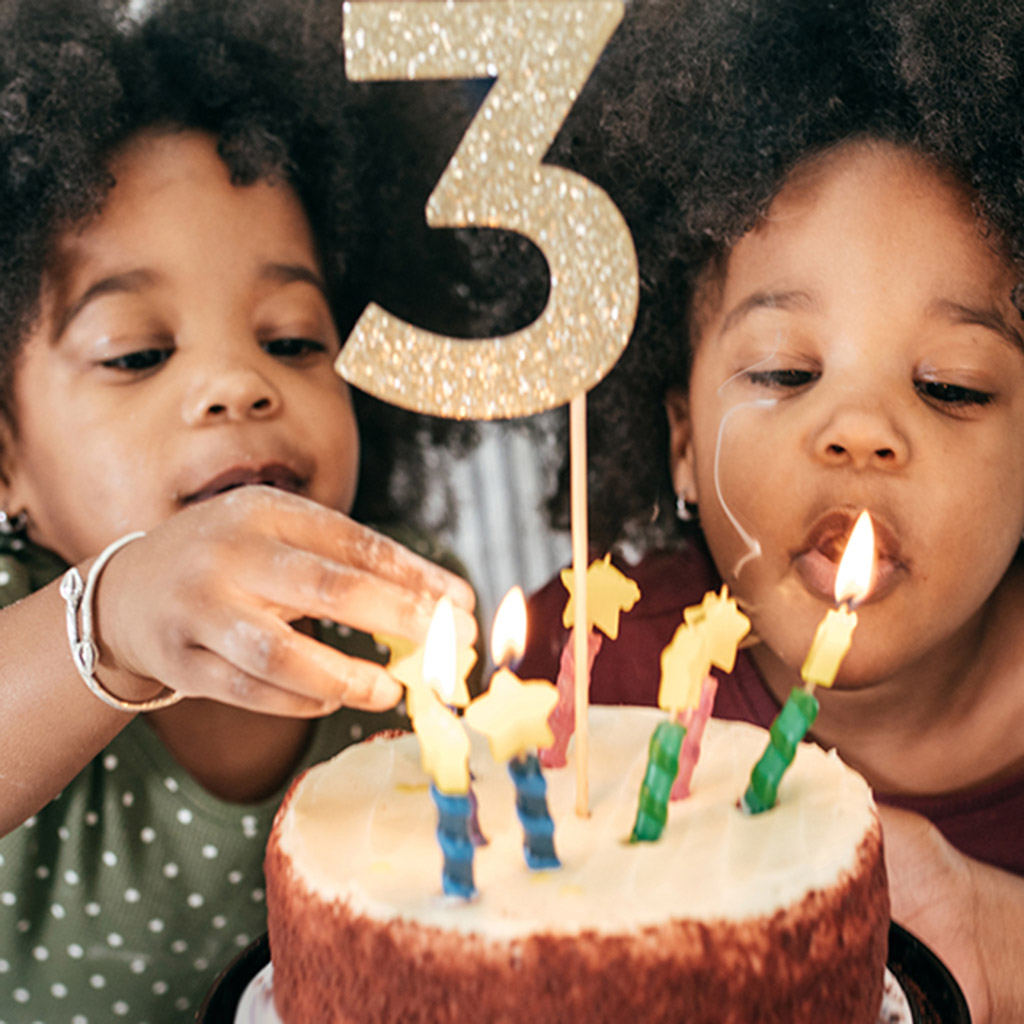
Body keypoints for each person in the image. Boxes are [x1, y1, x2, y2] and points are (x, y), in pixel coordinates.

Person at [518, 1, 1024, 1021]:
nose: (860, 431)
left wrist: (993, 932)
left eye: (953, 384)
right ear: (677, 445)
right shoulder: (586, 675)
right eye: (787, 370)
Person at [0, 0, 481, 1019]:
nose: (237, 383)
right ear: (7, 463)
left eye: (295, 339)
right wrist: (115, 616)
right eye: (137, 352)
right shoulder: (18, 644)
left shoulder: (407, 608)